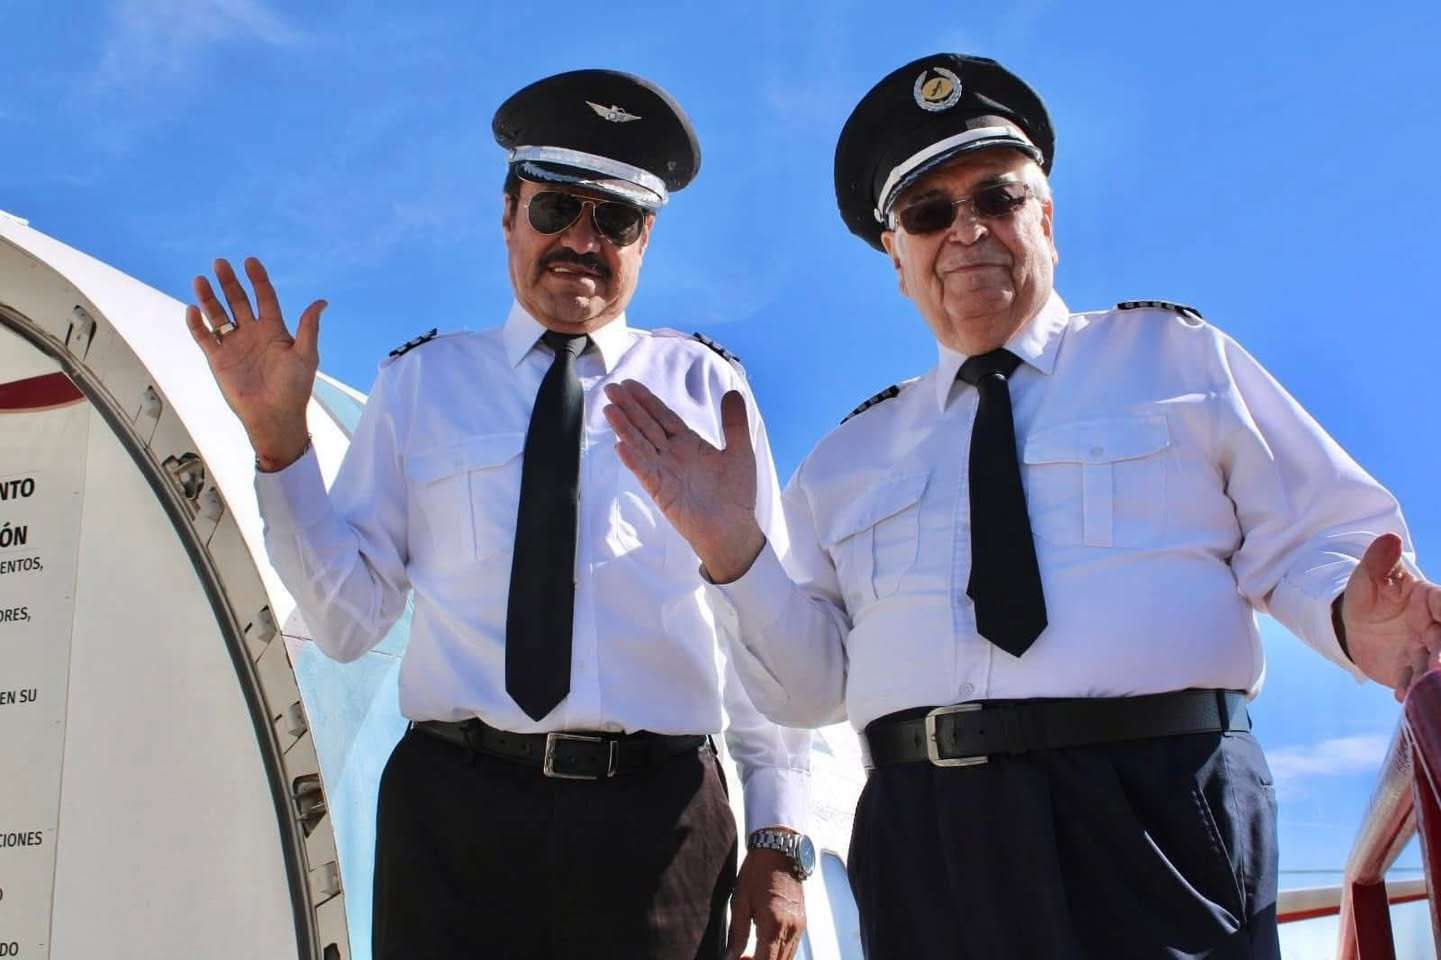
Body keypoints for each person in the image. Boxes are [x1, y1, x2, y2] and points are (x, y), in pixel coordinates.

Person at [602, 53, 1441, 958]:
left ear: (1044, 218)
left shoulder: (1175, 358)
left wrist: (1351, 613)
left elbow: (1312, 535)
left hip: (1159, 809)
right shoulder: (847, 459)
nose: (966, 231)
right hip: (928, 836)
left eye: (996, 198)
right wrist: (734, 552)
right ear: (896, 258)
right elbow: (807, 693)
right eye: (928, 214)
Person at [183, 69, 813, 960]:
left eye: (615, 220)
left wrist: (778, 834)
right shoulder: (421, 384)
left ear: (646, 239)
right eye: (555, 209)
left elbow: (759, 624)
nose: (581, 241)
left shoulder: (705, 388)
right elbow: (346, 624)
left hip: (655, 822)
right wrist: (279, 443)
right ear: (509, 214)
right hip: (454, 822)